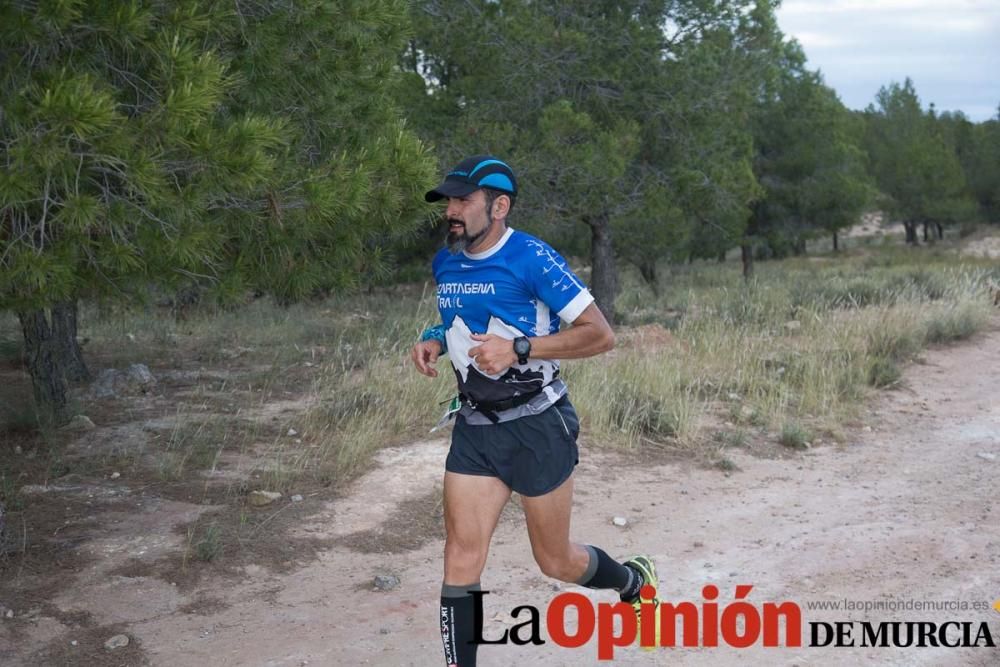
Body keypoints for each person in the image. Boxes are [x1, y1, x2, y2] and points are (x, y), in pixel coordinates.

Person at [411, 155, 659, 666]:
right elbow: (461, 321)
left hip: (538, 424)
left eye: (464, 201)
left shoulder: (532, 258)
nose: (451, 211)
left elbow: (599, 335)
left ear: (499, 206)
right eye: (449, 201)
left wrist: (520, 349)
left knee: (556, 561)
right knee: (460, 556)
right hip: (476, 427)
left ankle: (633, 581)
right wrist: (434, 339)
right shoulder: (446, 261)